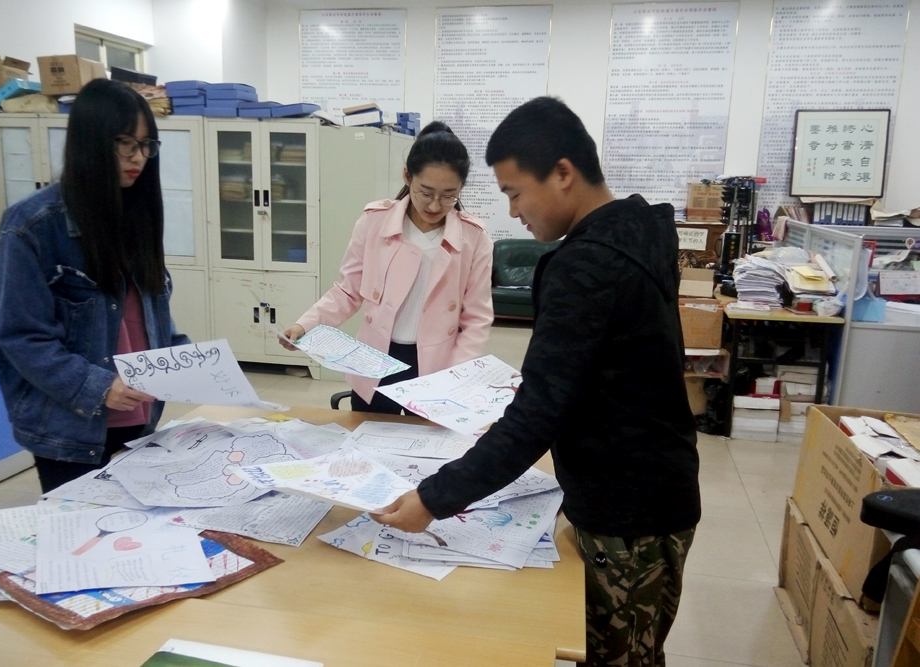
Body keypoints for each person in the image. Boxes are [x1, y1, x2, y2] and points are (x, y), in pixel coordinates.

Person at [372, 97, 701, 667]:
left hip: (628, 513)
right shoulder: (637, 229)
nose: (514, 212)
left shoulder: (586, 265)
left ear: (564, 173)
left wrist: (433, 497)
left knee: (619, 655)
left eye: (515, 193)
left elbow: (538, 416)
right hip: (658, 487)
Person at [0, 78, 189, 494]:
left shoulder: (137, 215)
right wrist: (98, 387)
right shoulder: (33, 225)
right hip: (72, 424)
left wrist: (190, 362)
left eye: (146, 145)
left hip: (139, 414)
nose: (138, 158)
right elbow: (22, 337)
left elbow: (150, 317)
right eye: (125, 144)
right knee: (81, 527)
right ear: (91, 142)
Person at [279, 121, 493, 414]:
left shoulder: (474, 238)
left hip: (437, 364)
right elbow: (348, 291)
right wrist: (304, 326)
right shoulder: (375, 221)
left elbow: (477, 318)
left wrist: (456, 376)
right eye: (425, 192)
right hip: (375, 359)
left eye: (448, 196)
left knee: (425, 441)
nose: (434, 206)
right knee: (368, 435)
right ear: (407, 176)